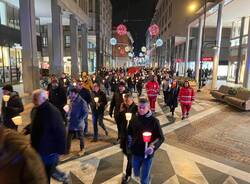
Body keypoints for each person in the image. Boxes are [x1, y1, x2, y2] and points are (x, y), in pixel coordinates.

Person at [30, 89, 66, 183]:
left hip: (49, 151)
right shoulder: (37, 109)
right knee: (47, 172)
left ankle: (63, 177)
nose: (33, 101)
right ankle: (63, 177)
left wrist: (61, 150)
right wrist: (27, 129)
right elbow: (36, 124)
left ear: (43, 98)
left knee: (45, 175)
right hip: (40, 149)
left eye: (35, 99)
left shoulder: (52, 112)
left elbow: (61, 131)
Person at [127, 98, 164, 184]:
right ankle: (146, 177)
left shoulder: (154, 121)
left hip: (147, 153)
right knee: (136, 172)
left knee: (144, 179)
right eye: (139, 107)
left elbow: (161, 137)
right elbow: (129, 131)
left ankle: (146, 179)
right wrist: (129, 139)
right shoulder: (134, 119)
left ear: (148, 108)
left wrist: (153, 147)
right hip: (135, 152)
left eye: (144, 107)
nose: (141, 109)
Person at [118, 94, 138, 183]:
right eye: (125, 101)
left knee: (130, 156)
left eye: (127, 101)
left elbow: (139, 120)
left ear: (131, 100)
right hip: (124, 135)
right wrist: (121, 111)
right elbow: (118, 120)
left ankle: (128, 174)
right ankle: (135, 161)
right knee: (125, 152)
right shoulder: (124, 107)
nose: (125, 102)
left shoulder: (136, 108)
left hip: (132, 136)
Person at [67, 88, 88, 156]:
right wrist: (67, 113)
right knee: (69, 137)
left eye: (72, 94)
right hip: (72, 121)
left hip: (79, 123)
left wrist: (80, 119)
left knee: (81, 137)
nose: (70, 95)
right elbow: (70, 109)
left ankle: (82, 149)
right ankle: (67, 149)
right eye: (70, 93)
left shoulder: (82, 102)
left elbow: (85, 112)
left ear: (76, 94)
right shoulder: (71, 100)